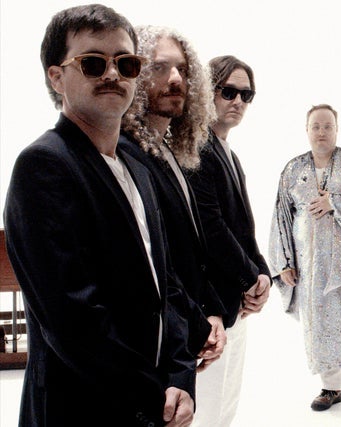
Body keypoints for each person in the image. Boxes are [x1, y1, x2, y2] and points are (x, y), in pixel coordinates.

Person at [3, 5, 196, 426]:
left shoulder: (137, 168)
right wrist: (154, 394)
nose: (112, 74)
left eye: (126, 63)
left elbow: (166, 286)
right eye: (93, 63)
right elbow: (73, 318)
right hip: (81, 409)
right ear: (56, 77)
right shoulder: (44, 165)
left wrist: (181, 377)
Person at [269, 104, 341, 421]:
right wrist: (285, 261)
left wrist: (334, 202)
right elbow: (281, 215)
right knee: (320, 324)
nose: (321, 132)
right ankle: (331, 387)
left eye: (327, 126)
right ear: (307, 130)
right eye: (316, 126)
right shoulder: (293, 169)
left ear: (337, 129)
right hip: (310, 265)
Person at [120, 26, 227, 369]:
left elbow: (189, 248)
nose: (176, 78)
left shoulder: (167, 150)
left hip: (187, 331)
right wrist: (192, 330)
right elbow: (153, 267)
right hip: (161, 343)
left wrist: (210, 311)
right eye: (159, 67)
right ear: (134, 73)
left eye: (182, 68)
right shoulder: (125, 153)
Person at [186, 55, 270, 427]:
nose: (238, 101)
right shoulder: (195, 147)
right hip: (211, 306)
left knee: (225, 409)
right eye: (229, 91)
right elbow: (210, 227)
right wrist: (251, 279)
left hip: (235, 302)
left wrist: (262, 276)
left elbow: (243, 229)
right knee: (207, 411)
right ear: (206, 92)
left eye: (246, 95)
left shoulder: (228, 153)